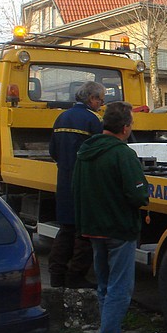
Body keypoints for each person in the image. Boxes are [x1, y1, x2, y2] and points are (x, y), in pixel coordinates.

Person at [74, 101, 150, 333]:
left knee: (105, 286)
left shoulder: (85, 151)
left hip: (94, 228)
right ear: (126, 127)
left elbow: (77, 189)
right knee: (120, 288)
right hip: (119, 228)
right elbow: (137, 194)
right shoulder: (123, 154)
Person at [47, 81, 105, 288]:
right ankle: (76, 276)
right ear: (92, 99)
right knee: (84, 233)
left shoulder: (61, 117)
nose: (102, 104)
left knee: (66, 230)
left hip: (63, 180)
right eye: (101, 100)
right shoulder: (93, 120)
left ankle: (56, 274)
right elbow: (101, 153)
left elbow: (53, 151)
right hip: (84, 184)